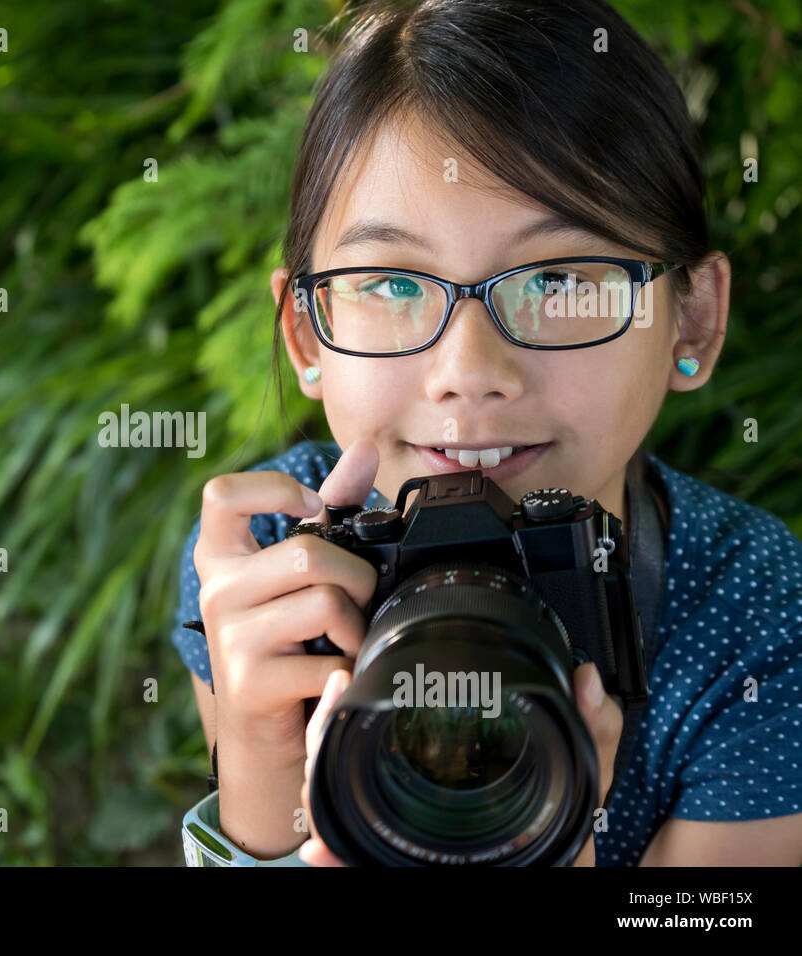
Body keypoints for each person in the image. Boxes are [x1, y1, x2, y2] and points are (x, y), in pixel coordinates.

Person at [173, 0, 802, 866]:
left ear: (691, 321)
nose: (469, 369)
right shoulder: (270, 564)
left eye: (557, 279)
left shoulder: (757, 621)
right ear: (306, 336)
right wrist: (260, 769)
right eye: (392, 285)